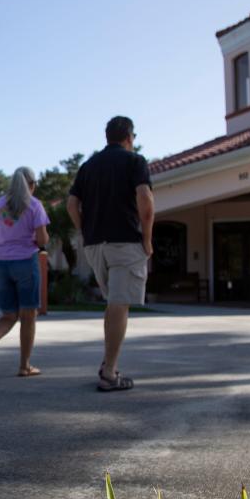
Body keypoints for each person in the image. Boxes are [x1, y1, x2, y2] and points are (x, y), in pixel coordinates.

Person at [67, 116, 154, 392]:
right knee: (119, 304)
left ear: (107, 137)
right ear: (129, 137)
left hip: (95, 246)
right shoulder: (134, 161)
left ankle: (108, 364)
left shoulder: (88, 166)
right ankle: (109, 373)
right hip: (124, 242)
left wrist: (84, 231)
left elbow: (71, 203)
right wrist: (148, 239)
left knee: (112, 303)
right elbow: (145, 200)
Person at [0, 167, 50, 378]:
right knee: (28, 315)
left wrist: (4, 238)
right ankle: (24, 366)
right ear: (31, 184)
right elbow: (43, 240)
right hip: (25, 262)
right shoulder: (34, 205)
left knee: (9, 314)